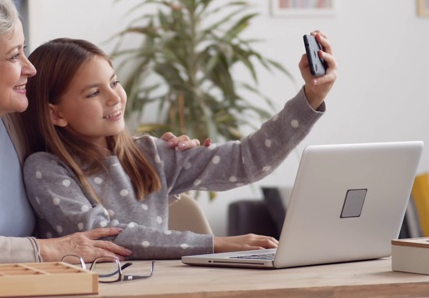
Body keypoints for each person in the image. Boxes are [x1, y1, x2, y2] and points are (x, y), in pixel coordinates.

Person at [0, 0, 203, 268]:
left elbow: (91, 176)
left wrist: (157, 167)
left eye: (24, 50)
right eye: (13, 55)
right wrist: (48, 249)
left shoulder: (25, 118)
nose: (30, 68)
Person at [20, 34, 337, 259]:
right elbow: (105, 237)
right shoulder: (45, 169)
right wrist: (216, 244)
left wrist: (310, 98)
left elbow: (246, 162)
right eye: (93, 93)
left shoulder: (151, 154)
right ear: (55, 113)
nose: (115, 97)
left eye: (114, 82)